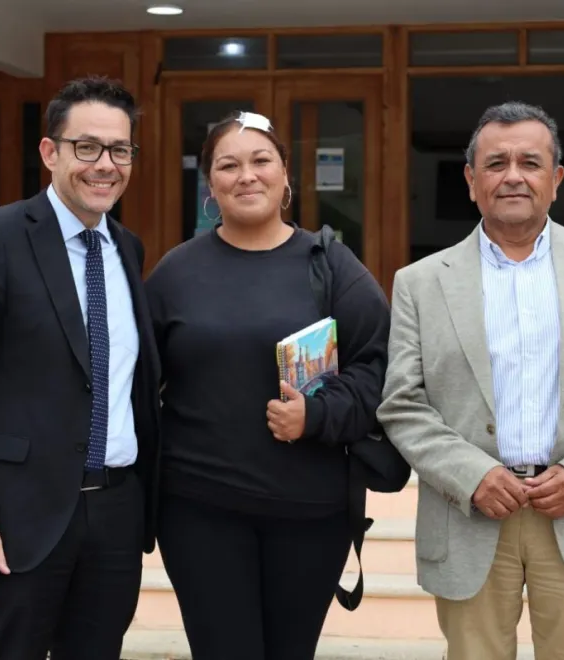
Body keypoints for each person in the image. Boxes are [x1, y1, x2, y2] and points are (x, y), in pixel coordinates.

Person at [376, 101, 564, 660]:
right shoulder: (420, 283)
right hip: (471, 512)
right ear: (471, 180)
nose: (513, 175)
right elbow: (403, 403)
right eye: (495, 163)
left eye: (530, 162)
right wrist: (472, 475)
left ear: (556, 179)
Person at [0, 75, 161, 660]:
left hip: (114, 515)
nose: (105, 164)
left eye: (120, 150)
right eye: (87, 147)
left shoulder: (127, 249)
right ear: (50, 152)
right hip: (17, 517)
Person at [144, 110, 390, 660]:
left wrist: (319, 417)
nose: (246, 175)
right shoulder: (175, 274)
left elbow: (379, 369)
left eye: (261, 161)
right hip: (198, 508)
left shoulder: (332, 265)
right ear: (212, 185)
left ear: (285, 177)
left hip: (309, 513)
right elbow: (134, 382)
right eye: (229, 165)